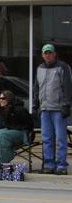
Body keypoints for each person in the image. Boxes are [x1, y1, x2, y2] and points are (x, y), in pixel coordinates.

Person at [33, 44, 72, 175]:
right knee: (47, 138)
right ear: (42, 55)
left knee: (61, 139)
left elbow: (67, 86)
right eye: (45, 53)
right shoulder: (39, 68)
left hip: (59, 109)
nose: (48, 55)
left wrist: (66, 104)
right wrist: (35, 104)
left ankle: (61, 166)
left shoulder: (63, 67)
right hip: (45, 109)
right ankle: (49, 165)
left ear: (55, 54)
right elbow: (36, 87)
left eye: (50, 53)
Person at [0, 90, 34, 168]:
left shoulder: (19, 109)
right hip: (11, 131)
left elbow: (30, 125)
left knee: (3, 136)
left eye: (3, 98)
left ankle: (2, 164)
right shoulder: (3, 110)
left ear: (9, 99)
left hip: (23, 133)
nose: (0, 100)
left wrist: (15, 128)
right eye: (0, 98)